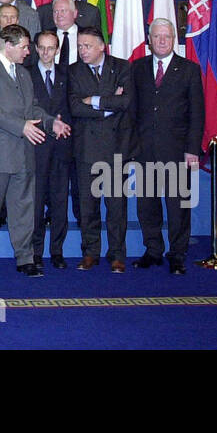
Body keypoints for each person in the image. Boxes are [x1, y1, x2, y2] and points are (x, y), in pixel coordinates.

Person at [0, 24, 65, 278]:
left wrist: (49, 122)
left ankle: (25, 257)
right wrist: (21, 126)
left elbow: (32, 108)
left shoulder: (23, 74)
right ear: (8, 46)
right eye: (23, 47)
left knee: (23, 208)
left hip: (23, 153)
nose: (28, 52)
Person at [131, 18, 203, 275]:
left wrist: (192, 149)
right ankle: (153, 250)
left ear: (174, 39)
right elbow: (132, 110)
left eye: (167, 36)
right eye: (157, 36)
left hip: (177, 150)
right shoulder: (136, 68)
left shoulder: (189, 70)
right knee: (147, 204)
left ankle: (177, 254)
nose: (162, 41)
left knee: (177, 206)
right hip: (144, 149)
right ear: (149, 40)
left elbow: (197, 113)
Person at [66, 25, 134, 272]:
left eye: (87, 46)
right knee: (88, 205)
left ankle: (117, 255)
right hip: (86, 150)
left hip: (117, 149)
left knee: (117, 206)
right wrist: (109, 103)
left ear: (101, 46)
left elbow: (125, 101)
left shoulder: (122, 67)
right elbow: (75, 107)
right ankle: (90, 252)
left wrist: (93, 101)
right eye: (80, 46)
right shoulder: (74, 71)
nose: (82, 51)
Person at [28, 29, 73, 268]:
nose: (46, 52)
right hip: (36, 146)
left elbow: (74, 106)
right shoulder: (25, 75)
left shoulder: (68, 74)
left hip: (62, 147)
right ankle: (36, 251)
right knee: (35, 203)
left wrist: (61, 125)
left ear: (57, 50)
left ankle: (57, 251)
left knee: (59, 201)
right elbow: (26, 108)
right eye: (42, 47)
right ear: (36, 49)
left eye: (50, 48)